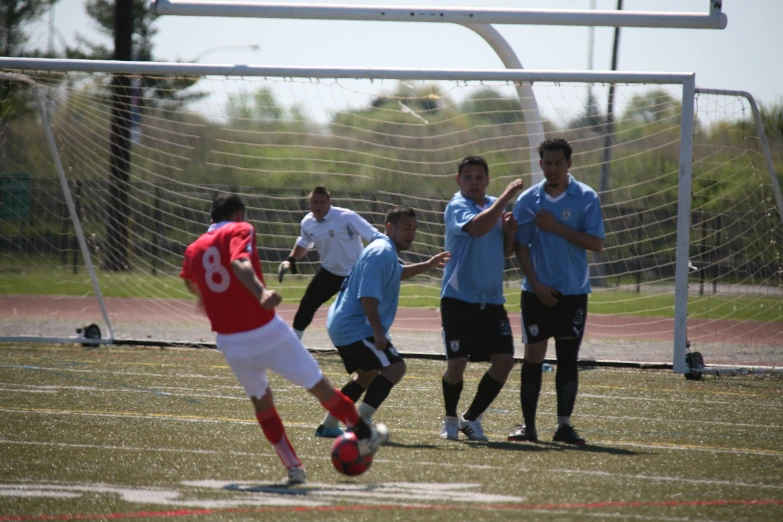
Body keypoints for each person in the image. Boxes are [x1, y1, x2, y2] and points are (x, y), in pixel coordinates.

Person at [180, 193, 388, 486]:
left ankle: (293, 467)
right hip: (265, 331)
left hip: (229, 341)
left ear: (211, 217)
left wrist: (205, 299)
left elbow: (190, 281)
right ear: (239, 213)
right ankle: (365, 436)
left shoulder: (194, 248)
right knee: (321, 388)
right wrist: (260, 293)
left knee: (262, 404)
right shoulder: (240, 228)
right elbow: (240, 262)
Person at [314, 206, 450, 438]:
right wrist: (378, 332)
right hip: (355, 327)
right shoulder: (382, 253)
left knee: (367, 375)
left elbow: (397, 272)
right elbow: (367, 297)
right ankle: (361, 425)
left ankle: (328, 426)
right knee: (396, 368)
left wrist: (428, 264)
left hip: (344, 324)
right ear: (390, 227)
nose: (411, 233)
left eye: (414, 229)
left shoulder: (383, 249)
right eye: (406, 228)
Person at [507, 137, 605, 446]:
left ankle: (564, 426)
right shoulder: (528, 200)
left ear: (569, 164)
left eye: (558, 163)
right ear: (540, 164)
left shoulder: (586, 197)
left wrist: (555, 227)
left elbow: (596, 243)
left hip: (573, 291)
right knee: (533, 355)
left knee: (567, 357)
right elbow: (520, 246)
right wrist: (535, 284)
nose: (553, 169)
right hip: (536, 291)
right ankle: (529, 427)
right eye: (547, 163)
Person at [439, 156, 525, 441]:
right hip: (459, 299)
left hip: (491, 300)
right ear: (458, 179)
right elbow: (477, 229)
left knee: (504, 361)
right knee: (457, 365)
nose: (473, 182)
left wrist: (510, 234)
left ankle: (471, 418)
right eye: (468, 177)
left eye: (479, 177)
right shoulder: (457, 206)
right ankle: (450, 418)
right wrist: (506, 196)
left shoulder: (493, 206)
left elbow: (503, 252)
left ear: (487, 179)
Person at [277, 186, 379, 340]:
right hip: (329, 272)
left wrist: (387, 254)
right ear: (309, 204)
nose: (318, 206)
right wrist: (290, 260)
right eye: (315, 202)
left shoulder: (346, 217)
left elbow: (373, 235)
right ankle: (294, 341)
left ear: (330, 202)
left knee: (365, 311)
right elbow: (305, 243)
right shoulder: (307, 222)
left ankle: (382, 340)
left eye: (322, 202)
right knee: (307, 303)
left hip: (356, 273)